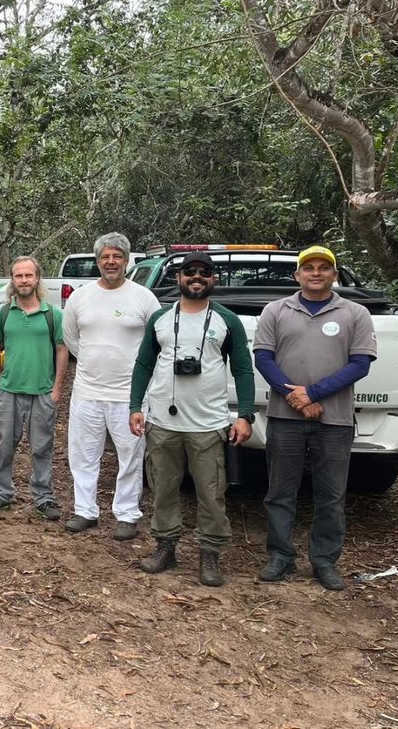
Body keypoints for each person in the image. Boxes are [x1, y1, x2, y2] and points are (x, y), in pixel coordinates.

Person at [253, 245, 376, 591]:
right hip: (284, 417)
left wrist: (313, 393)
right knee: (280, 491)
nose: (316, 273)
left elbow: (360, 364)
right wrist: (297, 397)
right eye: (309, 268)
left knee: (331, 495)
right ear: (298, 275)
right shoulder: (276, 310)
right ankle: (280, 556)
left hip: (334, 421)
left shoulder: (355, 313)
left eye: (324, 267)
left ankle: (324, 561)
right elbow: (263, 358)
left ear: (334, 275)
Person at [129, 251, 255, 587]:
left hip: (208, 424)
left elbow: (243, 369)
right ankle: (165, 547)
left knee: (211, 493)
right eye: (189, 272)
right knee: (163, 488)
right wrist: (135, 406)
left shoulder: (227, 320)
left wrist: (245, 415)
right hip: (163, 423)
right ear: (179, 278)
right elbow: (144, 364)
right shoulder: (160, 318)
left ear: (213, 279)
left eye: (204, 272)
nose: (196, 277)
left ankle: (209, 554)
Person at [62, 233, 160, 539]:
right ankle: (84, 511)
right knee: (83, 455)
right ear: (97, 261)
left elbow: (156, 341)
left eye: (117, 256)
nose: (111, 262)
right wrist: (94, 361)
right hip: (87, 391)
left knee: (130, 455)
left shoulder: (143, 297)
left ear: (127, 260)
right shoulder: (80, 297)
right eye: (105, 256)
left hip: (129, 395)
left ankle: (127, 514)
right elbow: (71, 338)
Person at [0, 256, 68, 520]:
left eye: (28, 275)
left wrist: (57, 388)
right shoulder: (3, 314)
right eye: (18, 276)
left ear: (37, 278)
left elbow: (61, 350)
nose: (24, 280)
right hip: (9, 391)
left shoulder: (53, 315)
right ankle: (1, 493)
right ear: (12, 280)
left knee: (42, 447)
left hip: (42, 391)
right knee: (5, 446)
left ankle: (44, 497)